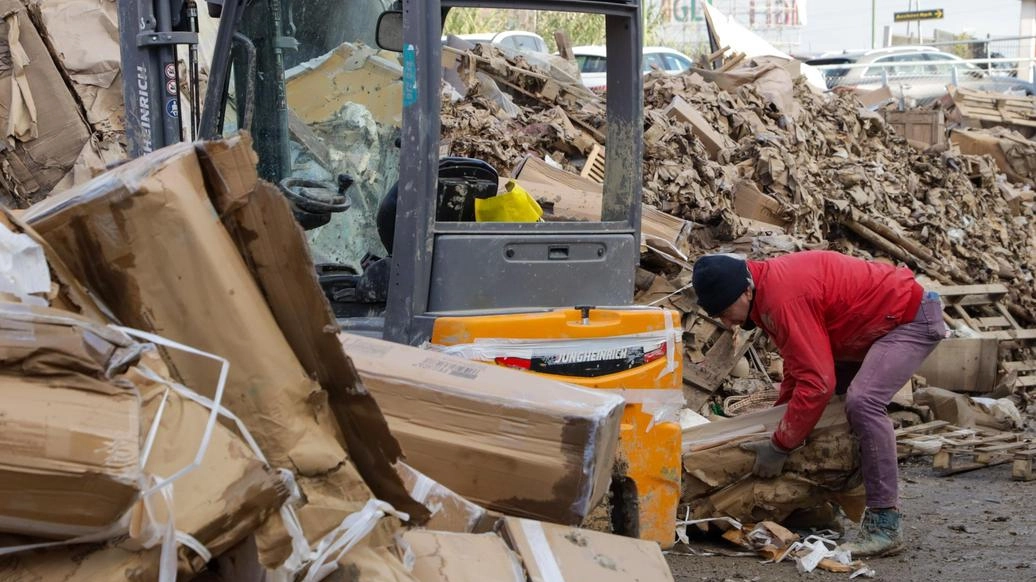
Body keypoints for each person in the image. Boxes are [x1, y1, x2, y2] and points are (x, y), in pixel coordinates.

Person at [691, 250, 946, 557]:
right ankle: (816, 511)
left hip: (910, 317)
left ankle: (885, 524)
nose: (726, 322)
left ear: (745, 289)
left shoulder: (782, 297)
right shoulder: (763, 294)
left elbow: (817, 383)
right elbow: (797, 369)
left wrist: (781, 445)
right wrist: (777, 423)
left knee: (863, 403)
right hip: (860, 331)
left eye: (724, 311)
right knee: (816, 414)